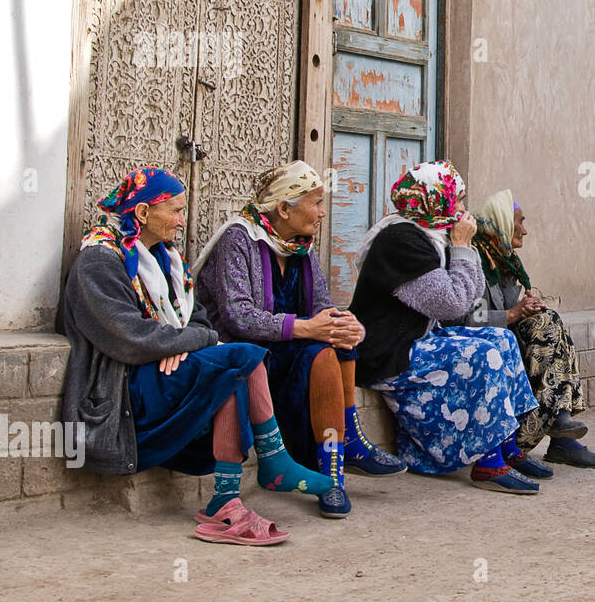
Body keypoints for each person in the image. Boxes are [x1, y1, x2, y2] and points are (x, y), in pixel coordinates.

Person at [61, 167, 335, 546]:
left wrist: (181, 342)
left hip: (159, 373)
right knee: (241, 357)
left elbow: (197, 318)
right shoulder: (100, 261)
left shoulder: (168, 259)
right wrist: (185, 342)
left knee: (234, 367)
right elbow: (129, 337)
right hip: (120, 391)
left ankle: (227, 500)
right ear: (142, 214)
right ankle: (270, 463)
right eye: (174, 211)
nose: (181, 220)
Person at [194, 161, 405, 519]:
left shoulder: (299, 248)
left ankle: (341, 453)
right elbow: (238, 317)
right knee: (321, 352)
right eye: (317, 202)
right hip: (244, 355)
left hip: (285, 352)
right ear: (284, 209)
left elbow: (322, 307)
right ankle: (332, 470)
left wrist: (347, 325)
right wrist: (308, 328)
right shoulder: (238, 241)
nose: (323, 212)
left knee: (334, 341)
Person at [349, 161, 543, 494]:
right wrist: (464, 247)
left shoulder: (432, 235)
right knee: (485, 353)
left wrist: (464, 248)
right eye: (458, 200)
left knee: (502, 340)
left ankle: (506, 445)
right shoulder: (401, 239)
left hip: (419, 338)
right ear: (433, 200)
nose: (464, 209)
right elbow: (452, 304)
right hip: (388, 352)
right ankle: (488, 463)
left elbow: (466, 299)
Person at [459, 190, 595, 470]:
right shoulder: (473, 258)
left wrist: (525, 306)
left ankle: (561, 429)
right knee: (546, 329)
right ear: (502, 223)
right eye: (520, 222)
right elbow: (466, 317)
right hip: (476, 341)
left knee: (549, 321)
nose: (525, 230)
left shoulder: (501, 258)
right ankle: (541, 434)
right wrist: (513, 313)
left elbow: (508, 307)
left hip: (503, 333)